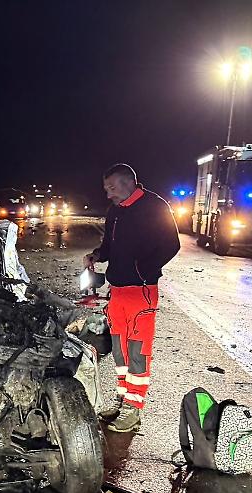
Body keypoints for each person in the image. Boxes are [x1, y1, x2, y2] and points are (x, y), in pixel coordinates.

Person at [84, 163, 180, 433]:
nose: (108, 195)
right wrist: (97, 256)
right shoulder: (115, 211)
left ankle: (134, 410)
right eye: (106, 189)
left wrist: (143, 270)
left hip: (142, 293)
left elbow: (171, 245)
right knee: (120, 351)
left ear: (128, 183)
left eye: (111, 188)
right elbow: (109, 247)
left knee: (138, 352)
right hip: (118, 292)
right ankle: (123, 399)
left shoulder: (155, 206)